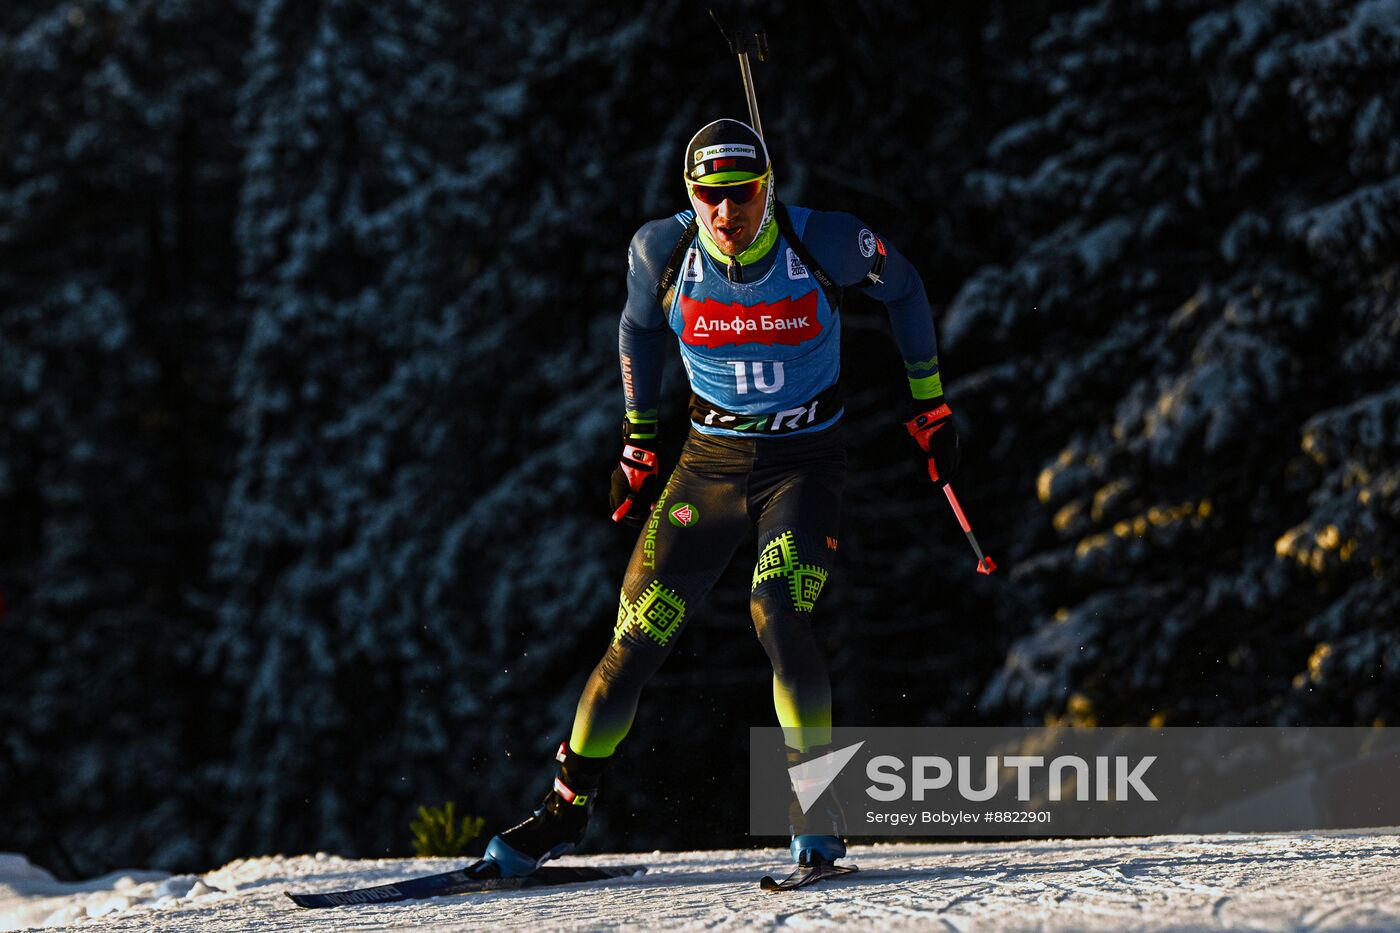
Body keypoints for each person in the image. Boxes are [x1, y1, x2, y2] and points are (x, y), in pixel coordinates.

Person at [483, 119, 959, 876]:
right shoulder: (660, 252)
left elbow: (904, 289)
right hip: (708, 465)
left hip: (804, 463)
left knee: (778, 611)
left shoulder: (825, 243)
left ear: (768, 189)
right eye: (709, 197)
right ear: (690, 196)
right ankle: (562, 814)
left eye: (740, 195)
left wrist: (930, 404)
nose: (725, 214)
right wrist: (639, 442)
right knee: (633, 637)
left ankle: (815, 807)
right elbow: (637, 329)